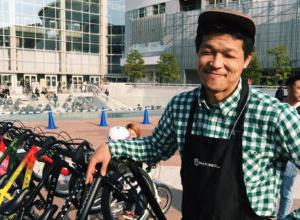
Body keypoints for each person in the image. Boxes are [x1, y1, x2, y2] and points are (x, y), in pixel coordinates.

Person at [86, 9, 300, 219]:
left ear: (246, 59)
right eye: (208, 51)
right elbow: (155, 146)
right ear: (197, 53)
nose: (216, 63)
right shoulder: (182, 105)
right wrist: (111, 148)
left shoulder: (275, 115)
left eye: (228, 55)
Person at [277, 75, 300, 219]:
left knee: (286, 192)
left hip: (291, 159)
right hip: (271, 155)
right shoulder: (275, 105)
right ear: (288, 88)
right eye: (298, 88)